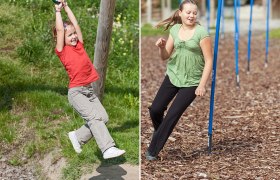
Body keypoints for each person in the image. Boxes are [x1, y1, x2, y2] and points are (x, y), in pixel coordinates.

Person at [53, 1, 125, 159]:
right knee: (93, 118)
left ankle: (77, 137)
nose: (73, 37)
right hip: (76, 92)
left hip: (88, 91)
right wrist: (58, 11)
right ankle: (107, 148)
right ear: (61, 39)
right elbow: (59, 29)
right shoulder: (62, 51)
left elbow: (76, 24)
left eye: (73, 34)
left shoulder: (80, 45)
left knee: (103, 118)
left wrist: (66, 7)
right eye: (69, 35)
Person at [145, 0, 213, 160]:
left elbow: (209, 60)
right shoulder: (175, 29)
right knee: (155, 109)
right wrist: (161, 47)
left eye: (194, 13)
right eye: (188, 12)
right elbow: (165, 56)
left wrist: (202, 85)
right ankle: (161, 133)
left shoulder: (202, 33)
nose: (192, 15)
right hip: (173, 75)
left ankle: (152, 151)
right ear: (180, 13)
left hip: (192, 82)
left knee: (172, 116)